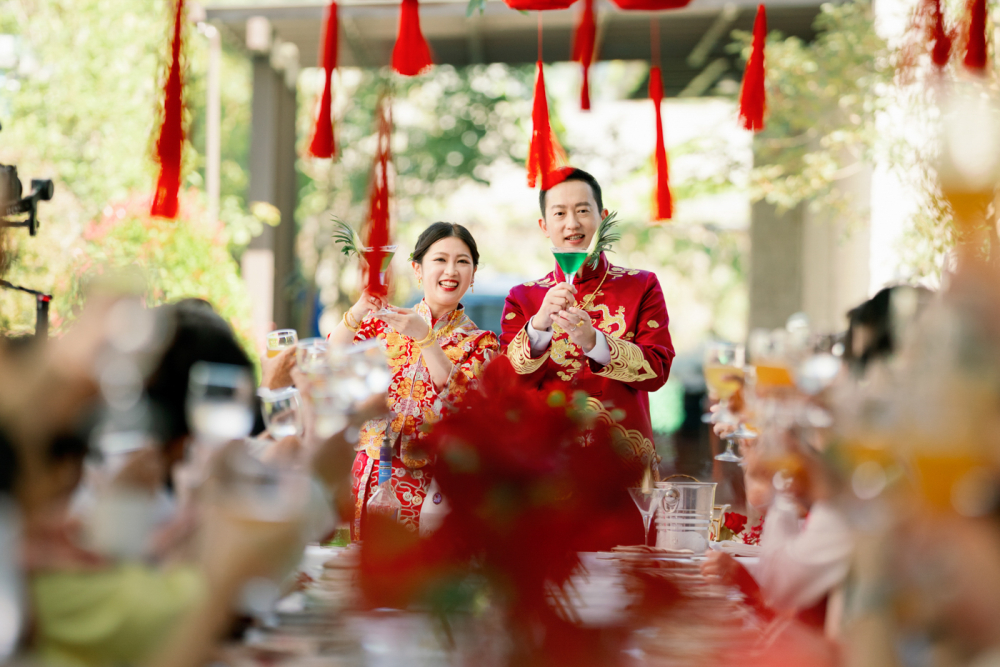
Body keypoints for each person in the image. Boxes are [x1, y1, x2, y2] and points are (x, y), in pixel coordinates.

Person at [499, 167, 675, 479]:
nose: (572, 223)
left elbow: (657, 371)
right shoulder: (522, 297)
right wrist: (539, 326)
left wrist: (595, 342)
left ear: (602, 216)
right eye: (560, 213)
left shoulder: (642, 285)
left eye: (582, 211)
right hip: (544, 467)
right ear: (544, 225)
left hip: (623, 464)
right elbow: (506, 384)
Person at [328, 222, 499, 538]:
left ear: (473, 274)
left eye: (463, 261)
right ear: (417, 269)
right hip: (365, 477)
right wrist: (360, 309)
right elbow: (332, 361)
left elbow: (462, 400)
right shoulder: (385, 325)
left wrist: (426, 338)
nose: (451, 270)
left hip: (430, 492)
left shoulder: (482, 343)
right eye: (440, 259)